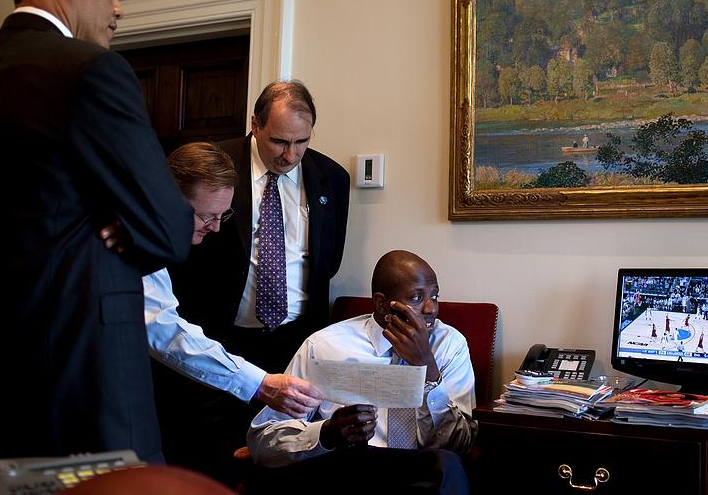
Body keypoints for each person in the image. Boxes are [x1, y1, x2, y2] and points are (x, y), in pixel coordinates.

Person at [0, 0, 193, 461]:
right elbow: (171, 229)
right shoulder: (92, 70)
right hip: (81, 370)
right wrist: (124, 221)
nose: (118, 8)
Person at [156, 80, 350, 477]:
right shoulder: (215, 165)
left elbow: (326, 264)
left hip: (292, 344)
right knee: (208, 458)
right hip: (213, 337)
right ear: (255, 124)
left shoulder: (332, 178)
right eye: (279, 140)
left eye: (302, 141)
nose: (290, 154)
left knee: (280, 463)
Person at [135, 142, 323, 474]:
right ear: (167, 198)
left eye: (224, 215)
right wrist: (261, 383)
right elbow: (163, 330)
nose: (215, 227)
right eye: (206, 215)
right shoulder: (134, 241)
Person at [247, 250, 475, 493]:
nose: (431, 308)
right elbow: (263, 440)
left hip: (421, 474)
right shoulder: (325, 345)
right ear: (381, 303)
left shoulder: (450, 344)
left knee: (446, 464)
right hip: (346, 469)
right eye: (417, 297)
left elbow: (459, 444)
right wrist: (325, 433)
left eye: (435, 296)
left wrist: (427, 366)